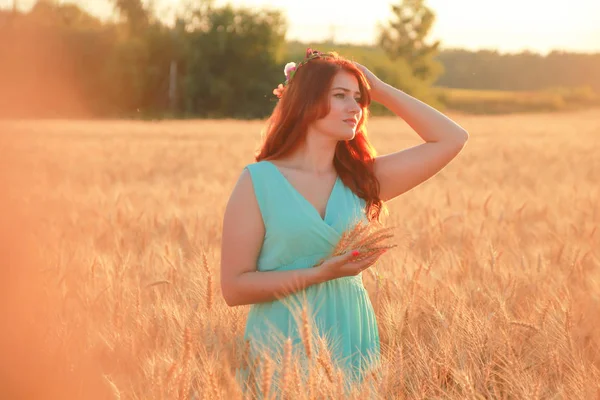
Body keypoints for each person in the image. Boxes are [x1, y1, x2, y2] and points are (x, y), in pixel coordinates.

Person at [220, 48, 469, 398]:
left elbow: (453, 138)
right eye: (340, 96)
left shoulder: (363, 180)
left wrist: (379, 88)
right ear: (306, 103)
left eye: (359, 99)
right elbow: (234, 288)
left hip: (351, 337)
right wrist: (321, 273)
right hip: (281, 344)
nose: (355, 108)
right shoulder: (258, 181)